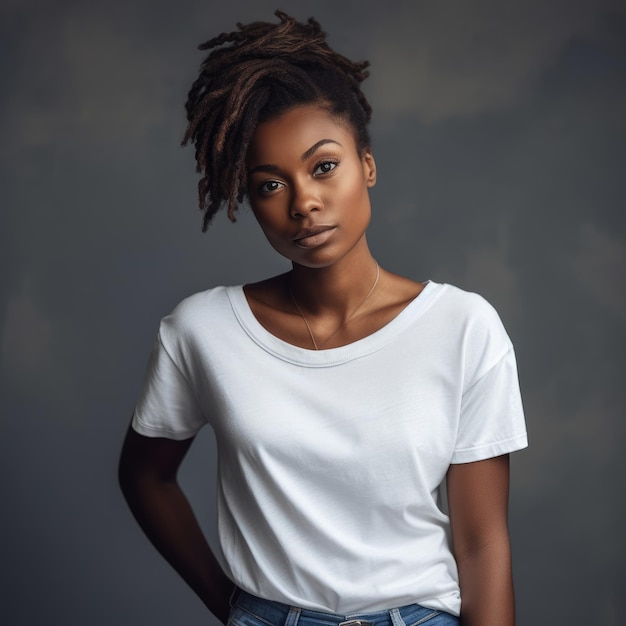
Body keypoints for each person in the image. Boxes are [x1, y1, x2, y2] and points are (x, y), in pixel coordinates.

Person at [118, 10, 528, 626]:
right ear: (247, 201)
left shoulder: (464, 328)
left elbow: (483, 544)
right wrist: (231, 607)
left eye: (324, 166)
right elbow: (145, 478)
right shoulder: (201, 331)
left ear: (367, 164)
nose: (304, 202)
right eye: (268, 185)